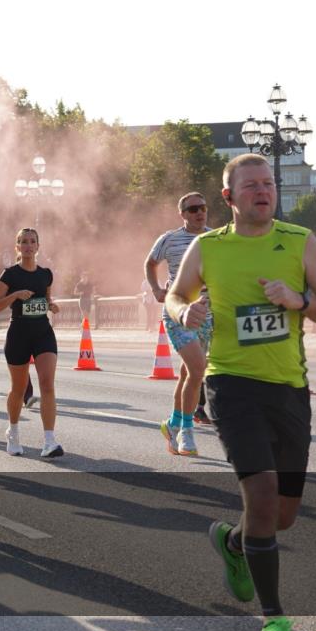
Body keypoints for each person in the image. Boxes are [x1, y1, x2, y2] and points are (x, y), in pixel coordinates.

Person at [166, 153, 316, 631]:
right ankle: (275, 617)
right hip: (231, 385)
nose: (263, 191)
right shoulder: (208, 247)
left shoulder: (300, 242)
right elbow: (176, 294)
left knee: (281, 516)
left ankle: (235, 543)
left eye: (268, 184)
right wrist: (183, 314)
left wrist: (298, 300)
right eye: (251, 186)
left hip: (289, 389)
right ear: (229, 198)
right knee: (259, 496)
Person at [144, 192, 213, 456]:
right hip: (178, 312)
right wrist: (155, 289)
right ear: (182, 214)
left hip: (208, 315)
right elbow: (150, 263)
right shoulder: (169, 239)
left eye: (203, 207)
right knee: (197, 371)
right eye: (193, 209)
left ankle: (172, 425)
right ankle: (186, 433)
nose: (199, 212)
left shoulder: (215, 238)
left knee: (189, 374)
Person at [0, 228, 63, 458]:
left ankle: (49, 441)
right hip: (19, 334)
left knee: (47, 384)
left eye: (32, 242)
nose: (28, 246)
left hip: (43, 332)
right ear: (17, 247)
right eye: (23, 242)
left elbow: (46, 299)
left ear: (38, 246)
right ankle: (12, 432)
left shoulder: (45, 274)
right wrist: (15, 295)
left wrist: (52, 305)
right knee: (19, 389)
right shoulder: (10, 274)